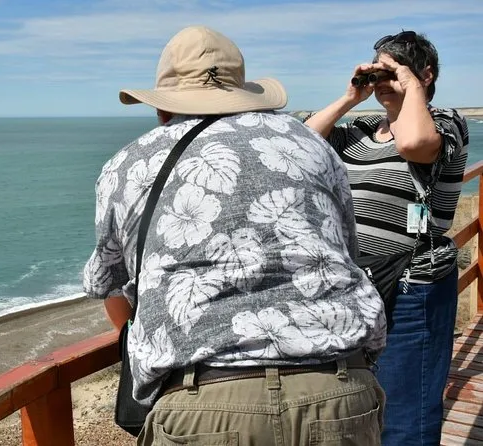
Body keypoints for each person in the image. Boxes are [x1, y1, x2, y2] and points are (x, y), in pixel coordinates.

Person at [84, 25, 387, 445]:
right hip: (339, 388)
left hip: (202, 402)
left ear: (162, 108)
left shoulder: (127, 165)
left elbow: (107, 282)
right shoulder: (309, 143)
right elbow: (345, 251)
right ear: (245, 94)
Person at [305, 31, 469, 445]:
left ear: (426, 75)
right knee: (358, 405)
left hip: (413, 288)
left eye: (392, 72)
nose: (382, 81)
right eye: (377, 71)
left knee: (406, 414)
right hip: (358, 284)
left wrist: (410, 85)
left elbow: (413, 143)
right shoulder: (362, 127)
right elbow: (303, 144)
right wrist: (351, 97)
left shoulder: (445, 122)